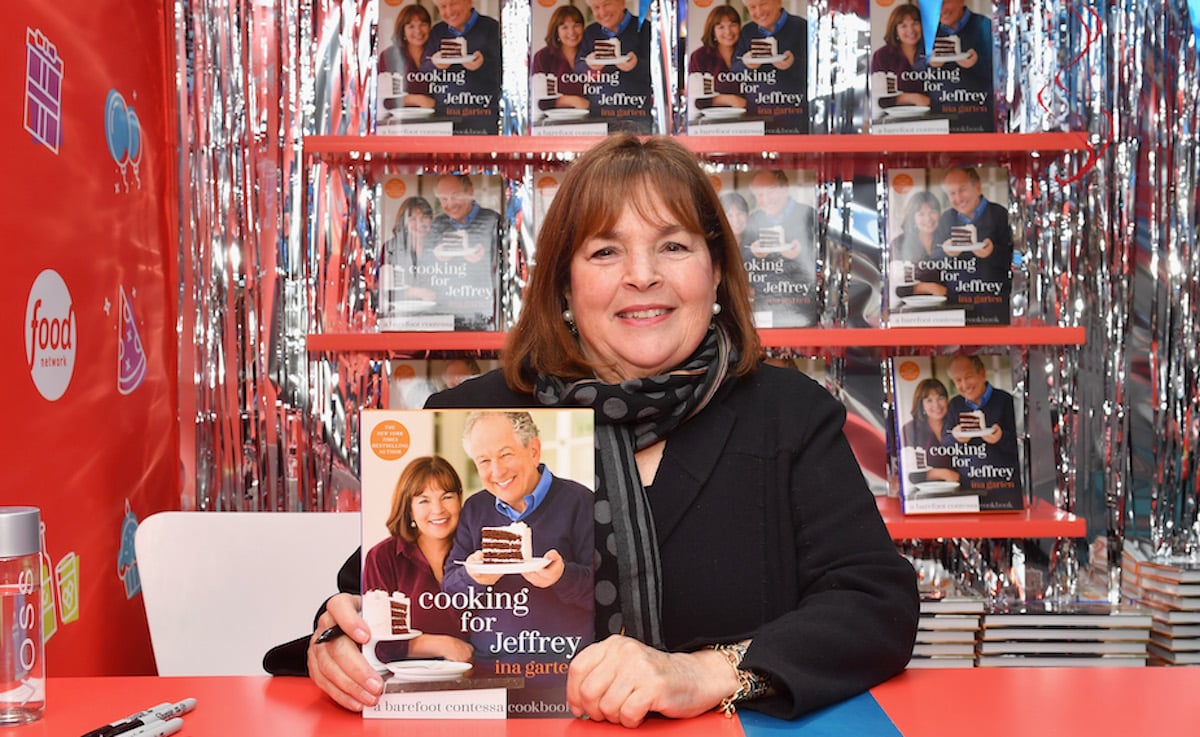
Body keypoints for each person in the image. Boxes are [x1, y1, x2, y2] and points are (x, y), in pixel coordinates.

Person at [307, 135, 918, 724]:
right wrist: (337, 638)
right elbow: (370, 594)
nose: (643, 275)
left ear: (715, 273)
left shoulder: (789, 413)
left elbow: (874, 605)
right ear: (564, 285)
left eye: (674, 246)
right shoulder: (475, 415)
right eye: (605, 251)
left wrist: (710, 673)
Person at [441, 411, 594, 655]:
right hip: (489, 667)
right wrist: (472, 577)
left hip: (562, 667)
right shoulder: (474, 509)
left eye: (505, 455)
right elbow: (450, 595)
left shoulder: (581, 502)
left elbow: (608, 593)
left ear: (534, 451)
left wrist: (562, 576)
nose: (497, 471)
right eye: (483, 461)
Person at [361, 455, 474, 663]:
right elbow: (379, 643)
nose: (438, 509)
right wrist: (444, 645)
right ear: (409, 508)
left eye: (447, 497)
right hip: (407, 685)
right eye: (424, 500)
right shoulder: (383, 557)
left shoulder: (477, 554)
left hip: (482, 680)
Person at [933, 166, 1012, 322]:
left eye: (962, 190)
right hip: (954, 308)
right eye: (952, 193)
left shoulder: (1000, 215)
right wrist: (946, 252)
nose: (958, 198)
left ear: (977, 187)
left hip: (994, 307)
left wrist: (993, 252)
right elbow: (932, 260)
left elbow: (1016, 259)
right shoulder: (946, 219)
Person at [942, 354, 1022, 507]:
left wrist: (1001, 438)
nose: (964, 385)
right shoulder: (955, 405)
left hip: (1004, 489)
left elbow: (1021, 445)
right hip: (967, 490)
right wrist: (956, 438)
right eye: (958, 380)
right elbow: (944, 443)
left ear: (982, 373)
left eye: (969, 376)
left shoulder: (1006, 400)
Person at [740, 169, 817, 326]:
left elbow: (826, 259)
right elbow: (740, 259)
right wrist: (753, 253)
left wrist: (802, 253)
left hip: (802, 306)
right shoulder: (754, 220)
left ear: (786, 188)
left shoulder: (809, 215)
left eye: (771, 192)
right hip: (763, 307)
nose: (765, 199)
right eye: (759, 195)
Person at [426, 174, 501, 328]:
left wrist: (486, 256)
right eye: (444, 198)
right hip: (443, 315)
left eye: (455, 196)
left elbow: (506, 266)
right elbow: (421, 270)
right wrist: (435, 258)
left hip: (485, 314)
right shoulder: (437, 224)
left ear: (470, 192)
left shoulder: (493, 220)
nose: (450, 204)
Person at [425, 0, 502, 133]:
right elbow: (422, 70)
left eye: (454, 3)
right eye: (443, 6)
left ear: (469, 2)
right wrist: (435, 64)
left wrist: (483, 63)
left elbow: (504, 71)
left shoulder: (492, 28)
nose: (449, 11)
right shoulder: (437, 31)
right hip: (445, 117)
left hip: (482, 115)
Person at [733, 0, 808, 133]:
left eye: (763, 4)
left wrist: (793, 64)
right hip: (756, 119)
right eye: (752, 7)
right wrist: (746, 64)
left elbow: (818, 72)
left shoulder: (802, 27)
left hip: (794, 118)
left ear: (778, 2)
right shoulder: (747, 31)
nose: (759, 11)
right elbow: (734, 72)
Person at [580, 0, 653, 133]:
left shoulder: (644, 28)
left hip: (637, 116)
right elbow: (576, 71)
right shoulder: (590, 32)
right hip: (599, 117)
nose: (602, 12)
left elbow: (659, 73)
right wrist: (589, 66)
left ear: (622, 3)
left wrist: (636, 65)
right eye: (596, 7)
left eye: (607, 4)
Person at [933, 0, 994, 131]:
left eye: (945, 2)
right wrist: (930, 64)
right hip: (939, 121)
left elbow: (1002, 73)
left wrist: (977, 62)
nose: (940, 9)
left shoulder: (984, 26)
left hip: (979, 120)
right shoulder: (929, 30)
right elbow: (914, 69)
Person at [687, 4, 748, 112]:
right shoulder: (700, 57)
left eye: (733, 25)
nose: (728, 32)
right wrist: (730, 100)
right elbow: (698, 100)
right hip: (713, 122)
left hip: (751, 118)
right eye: (721, 27)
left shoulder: (749, 54)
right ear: (713, 31)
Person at [870, 3, 931, 109]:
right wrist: (912, 98)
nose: (911, 30)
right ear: (895, 30)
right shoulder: (882, 55)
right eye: (903, 26)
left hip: (936, 116)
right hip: (895, 120)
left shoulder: (934, 51)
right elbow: (881, 99)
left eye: (915, 23)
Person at [890, 189, 948, 300]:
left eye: (932, 212)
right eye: (921, 214)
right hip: (911, 311)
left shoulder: (949, 241)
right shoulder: (899, 244)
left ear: (939, 214)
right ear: (913, 218)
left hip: (951, 307)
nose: (928, 218)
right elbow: (897, 287)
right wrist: (929, 287)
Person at [532, 4, 591, 113]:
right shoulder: (543, 57)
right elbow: (541, 101)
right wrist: (573, 100)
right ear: (556, 31)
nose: (572, 32)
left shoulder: (593, 55)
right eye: (564, 27)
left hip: (594, 119)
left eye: (576, 25)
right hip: (555, 123)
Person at [377, 4, 437, 110]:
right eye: (411, 26)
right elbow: (387, 100)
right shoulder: (389, 56)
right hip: (400, 122)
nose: (418, 31)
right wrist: (417, 99)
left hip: (440, 119)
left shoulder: (439, 54)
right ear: (403, 30)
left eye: (423, 24)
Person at [900, 378, 959, 483]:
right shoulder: (910, 430)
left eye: (940, 398)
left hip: (964, 489)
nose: (936, 405)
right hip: (926, 493)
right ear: (921, 405)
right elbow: (910, 473)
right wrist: (943, 473)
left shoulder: (958, 424)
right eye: (929, 400)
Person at [381, 195, 438, 303]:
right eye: (412, 219)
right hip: (400, 313)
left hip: (436, 313)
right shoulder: (391, 248)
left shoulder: (440, 248)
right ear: (403, 222)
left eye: (424, 217)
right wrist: (415, 292)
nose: (420, 223)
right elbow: (382, 288)